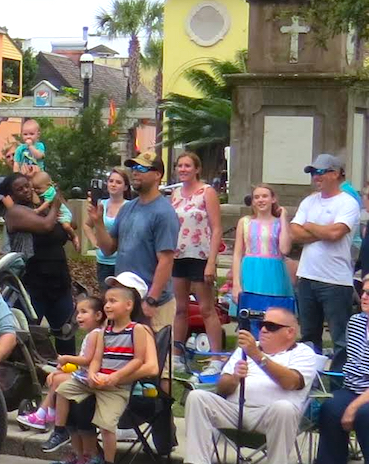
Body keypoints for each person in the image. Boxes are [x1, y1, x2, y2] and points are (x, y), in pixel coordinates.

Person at [171, 305, 322, 464]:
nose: (264, 330)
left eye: (271, 326)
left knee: (284, 407)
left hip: (272, 417)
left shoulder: (303, 353)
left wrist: (258, 357)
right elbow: (222, 388)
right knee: (198, 397)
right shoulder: (245, 349)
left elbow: (291, 382)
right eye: (261, 325)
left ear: (290, 332)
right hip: (236, 410)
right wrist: (234, 378)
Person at [50, 275, 157, 464]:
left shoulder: (139, 330)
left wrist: (114, 378)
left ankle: (99, 460)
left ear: (130, 302)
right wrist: (92, 374)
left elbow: (147, 365)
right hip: (99, 381)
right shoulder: (104, 331)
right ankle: (66, 438)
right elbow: (95, 359)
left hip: (121, 387)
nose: (107, 304)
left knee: (98, 417)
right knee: (62, 389)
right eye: (107, 299)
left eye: (113, 299)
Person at [86, 151, 179, 330]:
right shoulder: (128, 208)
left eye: (142, 168)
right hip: (126, 300)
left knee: (154, 356)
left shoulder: (164, 213)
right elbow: (108, 249)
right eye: (133, 168)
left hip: (154, 302)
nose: (135, 172)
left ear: (158, 175)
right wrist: (98, 223)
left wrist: (152, 299)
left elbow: (166, 260)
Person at [289, 153, 361, 355]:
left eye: (320, 172)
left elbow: (336, 233)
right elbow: (293, 232)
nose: (315, 177)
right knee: (309, 337)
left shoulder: (348, 203)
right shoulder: (309, 202)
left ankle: (340, 384)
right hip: (307, 277)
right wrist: (323, 231)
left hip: (336, 281)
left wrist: (310, 225)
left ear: (336, 173)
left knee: (341, 339)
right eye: (313, 173)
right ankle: (310, 381)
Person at [0, 171, 76, 352]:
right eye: (20, 189)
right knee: (27, 337)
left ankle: (67, 373)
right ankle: (27, 376)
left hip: (59, 281)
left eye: (28, 186)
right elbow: (46, 226)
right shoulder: (15, 213)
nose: (26, 191)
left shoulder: (44, 207)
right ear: (11, 195)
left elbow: (73, 224)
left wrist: (57, 198)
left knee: (66, 333)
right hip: (32, 283)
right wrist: (55, 205)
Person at [312, 283, 369, 464]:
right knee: (331, 408)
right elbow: (353, 366)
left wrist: (354, 407)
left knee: (365, 415)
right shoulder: (355, 323)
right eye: (363, 292)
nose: (363, 297)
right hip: (354, 387)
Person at [21, 293, 105, 439]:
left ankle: (44, 414)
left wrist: (66, 359)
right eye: (78, 312)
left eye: (84, 312)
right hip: (84, 373)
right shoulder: (92, 334)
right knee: (56, 377)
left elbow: (87, 360)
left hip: (90, 376)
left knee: (58, 380)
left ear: (98, 315)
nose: (79, 316)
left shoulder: (95, 334)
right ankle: (49, 412)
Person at [168, 150, 224, 351]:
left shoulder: (206, 192)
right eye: (180, 166)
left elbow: (217, 227)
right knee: (180, 308)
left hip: (200, 255)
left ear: (197, 169)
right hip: (178, 255)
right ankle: (177, 353)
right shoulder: (175, 194)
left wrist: (211, 261)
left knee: (206, 308)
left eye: (187, 166)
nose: (183, 170)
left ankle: (216, 356)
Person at [229, 183, 295, 328]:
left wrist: (283, 218)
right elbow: (237, 254)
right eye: (256, 197)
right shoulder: (245, 222)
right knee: (250, 315)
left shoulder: (279, 223)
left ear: (273, 199)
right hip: (251, 271)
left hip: (274, 273)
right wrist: (236, 283)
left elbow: (284, 249)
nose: (261, 200)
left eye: (265, 196)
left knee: (274, 316)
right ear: (252, 201)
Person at [91, 168, 127, 286]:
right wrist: (94, 241)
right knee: (106, 297)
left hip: (122, 261)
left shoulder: (130, 206)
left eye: (118, 182)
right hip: (103, 261)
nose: (113, 185)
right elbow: (87, 224)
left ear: (125, 187)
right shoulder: (101, 205)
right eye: (111, 181)